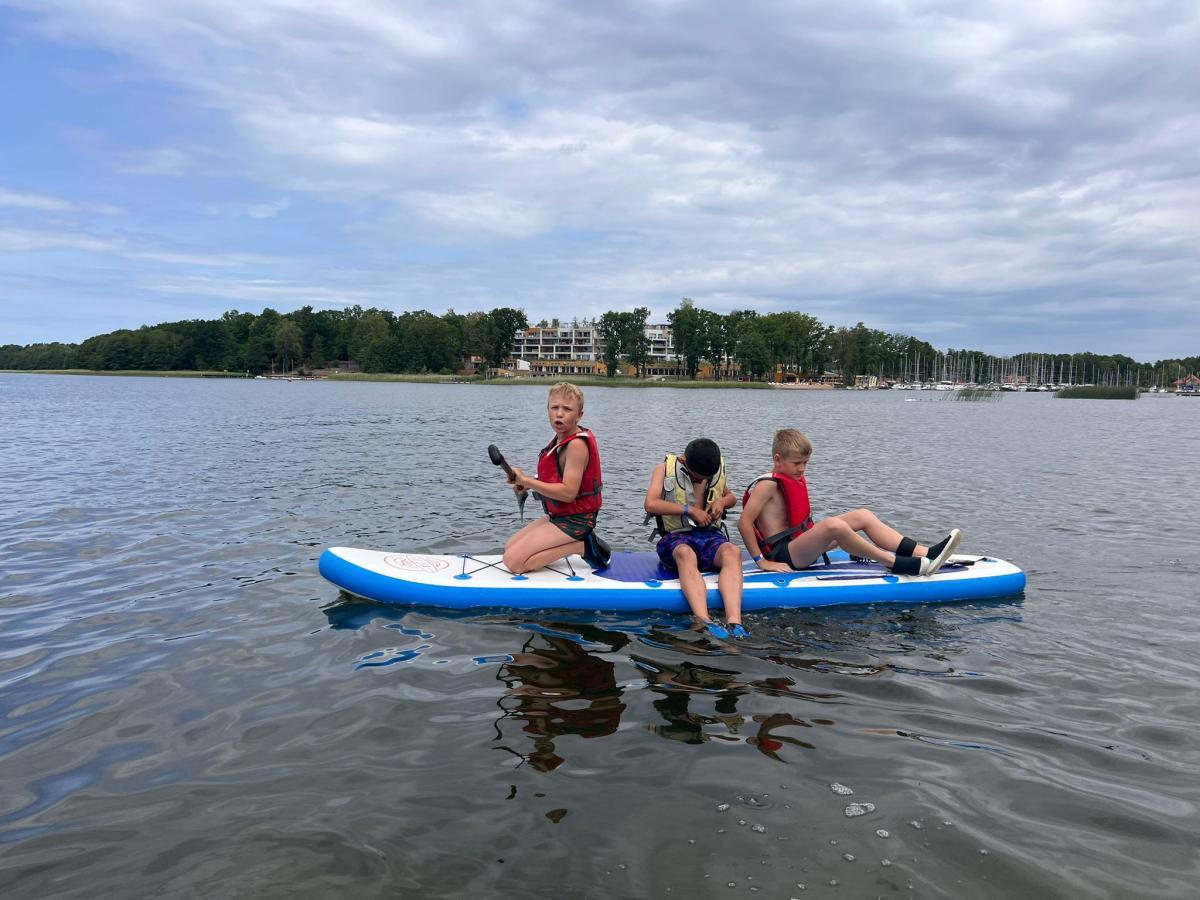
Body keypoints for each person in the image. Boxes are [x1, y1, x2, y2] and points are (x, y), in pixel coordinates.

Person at [739, 428, 962, 576]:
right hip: (785, 555)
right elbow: (744, 523)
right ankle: (893, 563)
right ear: (778, 459)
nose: (802, 469)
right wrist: (762, 561)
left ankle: (924, 553)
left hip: (802, 545)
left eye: (806, 463)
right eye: (797, 463)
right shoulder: (767, 485)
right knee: (833, 526)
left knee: (862, 515)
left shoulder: (792, 478)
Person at [644, 438, 747, 639]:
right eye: (696, 478)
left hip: (709, 536)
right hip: (675, 538)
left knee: (732, 551)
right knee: (686, 553)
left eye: (705, 479)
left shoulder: (712, 469)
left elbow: (731, 497)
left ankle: (735, 621)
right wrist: (689, 510)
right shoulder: (663, 470)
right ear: (684, 460)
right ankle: (703, 619)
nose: (700, 482)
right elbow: (651, 504)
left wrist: (721, 502)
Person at [503, 382, 610, 573]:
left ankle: (583, 546)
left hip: (577, 520)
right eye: (554, 408)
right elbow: (556, 476)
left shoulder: (577, 445)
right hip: (559, 516)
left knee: (514, 562)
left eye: (567, 409)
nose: (559, 414)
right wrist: (528, 483)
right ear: (548, 410)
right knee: (509, 547)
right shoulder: (559, 439)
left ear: (579, 415)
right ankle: (570, 544)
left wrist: (526, 481)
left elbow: (568, 493)